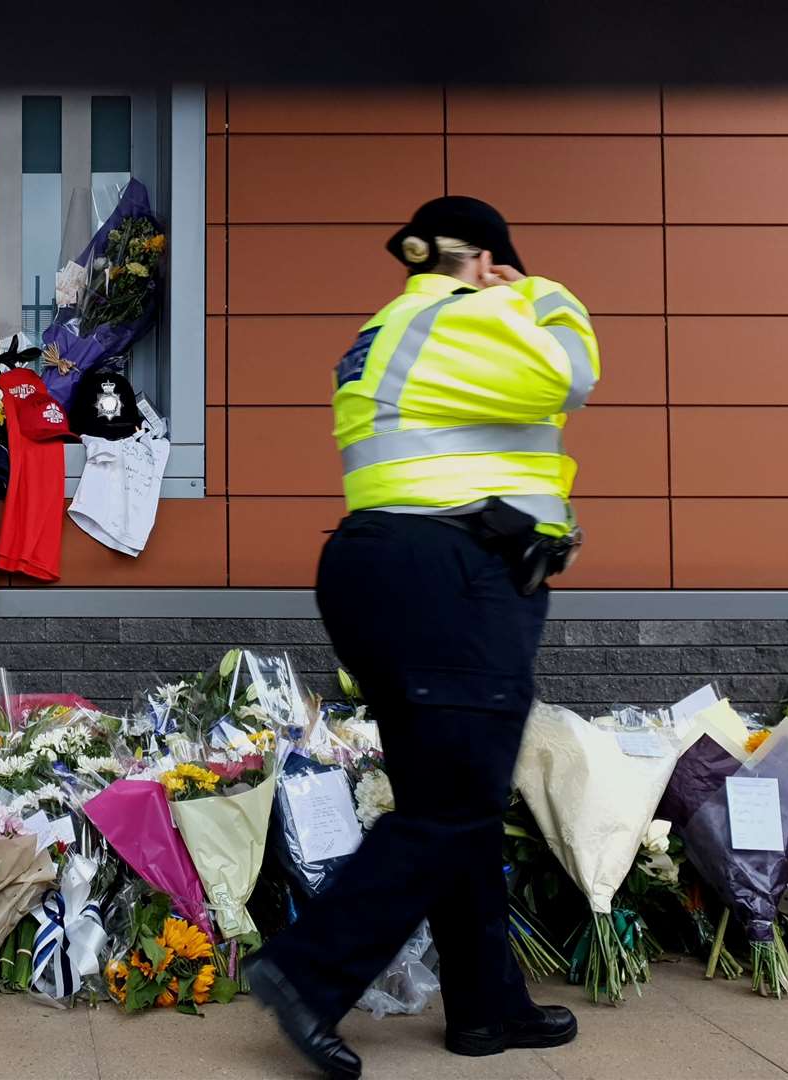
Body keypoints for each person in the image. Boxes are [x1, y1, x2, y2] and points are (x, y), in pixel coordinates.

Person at [247, 196, 598, 1079]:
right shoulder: (466, 313)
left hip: (389, 569)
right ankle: (305, 973)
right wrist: (538, 289)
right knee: (456, 807)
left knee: (456, 800)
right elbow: (572, 371)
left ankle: (487, 1008)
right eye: (500, 263)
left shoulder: (388, 328)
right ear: (480, 258)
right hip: (451, 578)